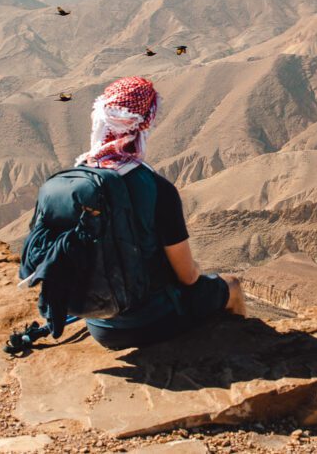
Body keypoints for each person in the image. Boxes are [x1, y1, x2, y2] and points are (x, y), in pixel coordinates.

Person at [74, 76, 245, 349]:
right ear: (143, 125)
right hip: (149, 322)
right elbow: (187, 277)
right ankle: (239, 356)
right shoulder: (156, 189)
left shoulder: (78, 179)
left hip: (98, 323)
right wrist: (197, 270)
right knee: (232, 286)